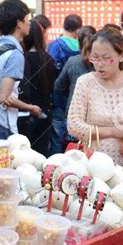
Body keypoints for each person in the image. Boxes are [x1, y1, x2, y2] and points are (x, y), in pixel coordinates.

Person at [67, 28, 123, 179]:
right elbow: (74, 125)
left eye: (106, 58)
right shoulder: (85, 83)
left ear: (121, 56)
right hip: (92, 166)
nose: (100, 64)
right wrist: (112, 132)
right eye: (95, 58)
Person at [0, 0, 32, 140]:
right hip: (0, 122)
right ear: (19, 23)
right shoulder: (15, 54)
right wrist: (30, 108)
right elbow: (4, 98)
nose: (29, 22)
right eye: (27, 19)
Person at [18, 19, 57, 155]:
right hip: (44, 112)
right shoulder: (48, 59)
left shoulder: (22, 58)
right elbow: (53, 87)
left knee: (23, 154)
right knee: (40, 154)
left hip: (24, 112)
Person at [48, 14, 83, 154]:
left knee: (56, 137)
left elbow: (50, 73)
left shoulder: (55, 46)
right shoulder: (85, 48)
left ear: (64, 26)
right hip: (79, 102)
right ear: (78, 29)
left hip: (59, 101)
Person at [54, 25, 95, 133]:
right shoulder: (102, 62)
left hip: (74, 115)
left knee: (73, 148)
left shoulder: (72, 62)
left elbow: (58, 87)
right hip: (96, 118)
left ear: (78, 41)